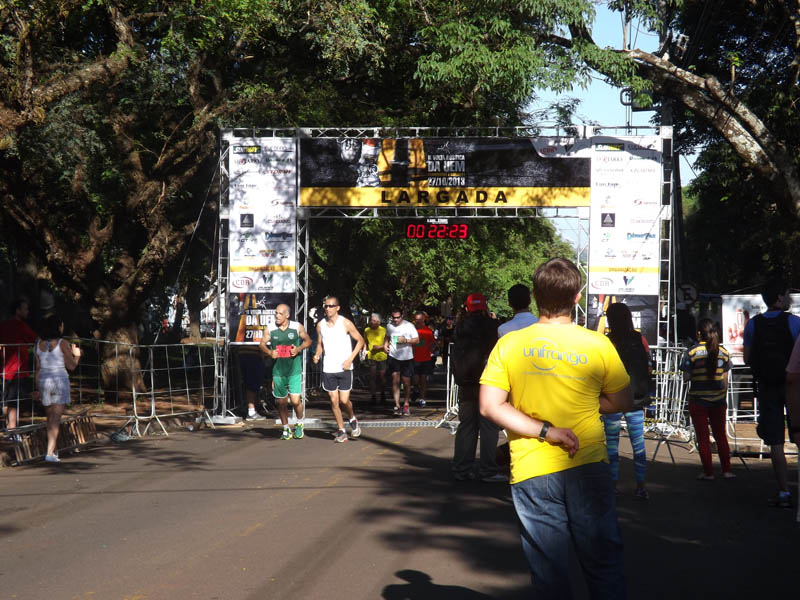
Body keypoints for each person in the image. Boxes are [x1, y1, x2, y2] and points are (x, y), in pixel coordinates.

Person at [480, 258, 632, 598]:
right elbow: (622, 399)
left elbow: (490, 406)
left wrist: (545, 431)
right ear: (577, 298)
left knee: (549, 574)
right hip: (588, 462)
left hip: (532, 468)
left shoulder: (510, 344)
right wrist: (587, 401)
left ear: (535, 296)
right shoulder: (598, 344)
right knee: (604, 566)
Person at [742, 280, 800, 508]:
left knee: (775, 442)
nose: (789, 298)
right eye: (787, 294)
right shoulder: (794, 323)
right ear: (779, 298)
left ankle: (784, 492)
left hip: (767, 387)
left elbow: (747, 358)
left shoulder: (753, 325)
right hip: (794, 387)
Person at [451, 293, 504, 482]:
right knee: (489, 426)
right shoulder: (493, 326)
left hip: (466, 383)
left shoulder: (460, 327)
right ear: (485, 307)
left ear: (467, 308)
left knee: (467, 426)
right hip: (489, 382)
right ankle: (488, 470)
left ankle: (462, 469)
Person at [603, 302, 651, 499]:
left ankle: (613, 485)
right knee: (638, 445)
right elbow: (648, 367)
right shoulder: (640, 339)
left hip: (612, 400)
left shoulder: (606, 342)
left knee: (611, 445)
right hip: (635, 400)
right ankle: (641, 486)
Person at [681, 318, 734, 480]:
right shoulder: (723, 352)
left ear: (699, 334)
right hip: (718, 401)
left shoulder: (691, 352)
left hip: (698, 400)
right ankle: (726, 470)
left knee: (703, 438)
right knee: (721, 436)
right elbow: (725, 380)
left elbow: (686, 377)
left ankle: (708, 472)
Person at [313, 297, 365, 443]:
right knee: (333, 400)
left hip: (344, 367)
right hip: (328, 367)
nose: (327, 308)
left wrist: (350, 359)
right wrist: (317, 354)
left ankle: (352, 418)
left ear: (338, 308)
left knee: (344, 400)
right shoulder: (320, 325)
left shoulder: (345, 323)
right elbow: (320, 344)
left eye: (331, 306)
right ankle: (341, 430)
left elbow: (360, 341)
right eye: (326, 306)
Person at [33, 314, 81, 462]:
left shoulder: (38, 343)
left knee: (50, 417)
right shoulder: (62, 343)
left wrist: (36, 387)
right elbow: (71, 366)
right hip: (59, 380)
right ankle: (49, 452)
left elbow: (38, 368)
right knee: (55, 418)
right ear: (58, 327)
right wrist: (77, 355)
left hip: (44, 380)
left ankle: (53, 450)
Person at [260, 304, 311, 440]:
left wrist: (298, 349)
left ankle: (299, 423)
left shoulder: (296, 327)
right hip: (278, 372)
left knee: (295, 401)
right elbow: (262, 344)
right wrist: (270, 352)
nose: (277, 316)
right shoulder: (270, 328)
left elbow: (308, 340)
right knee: (281, 402)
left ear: (287, 315)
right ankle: (286, 428)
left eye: (280, 314)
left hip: (294, 370)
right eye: (276, 313)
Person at [1, 299, 38, 432]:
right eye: (25, 309)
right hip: (17, 370)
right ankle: (12, 430)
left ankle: (9, 428)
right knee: (14, 401)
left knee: (7, 400)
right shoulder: (20, 326)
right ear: (18, 311)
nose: (27, 312)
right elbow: (35, 339)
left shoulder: (3, 325)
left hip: (4, 370)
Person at [384, 309, 419, 416]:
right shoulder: (389, 326)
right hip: (393, 356)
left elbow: (417, 340)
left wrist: (406, 340)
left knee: (406, 382)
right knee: (395, 380)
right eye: (394, 318)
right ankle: (397, 405)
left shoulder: (409, 326)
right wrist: (385, 345)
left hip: (407, 357)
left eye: (398, 317)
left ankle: (406, 404)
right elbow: (387, 336)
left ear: (402, 316)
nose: (395, 320)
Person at [412, 311, 435, 407]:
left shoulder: (428, 331)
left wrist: (432, 349)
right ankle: (416, 390)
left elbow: (432, 342)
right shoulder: (411, 330)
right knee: (415, 380)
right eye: (416, 319)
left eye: (420, 319)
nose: (418, 321)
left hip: (425, 359)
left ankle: (422, 399)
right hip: (414, 359)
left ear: (423, 320)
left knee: (423, 380)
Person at [364, 313, 388, 404]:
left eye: (374, 321)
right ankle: (373, 395)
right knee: (372, 376)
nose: (372, 322)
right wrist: (364, 350)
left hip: (382, 356)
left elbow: (388, 343)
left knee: (382, 376)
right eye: (371, 320)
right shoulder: (367, 330)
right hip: (372, 356)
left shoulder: (383, 330)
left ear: (378, 322)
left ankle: (383, 393)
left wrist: (379, 347)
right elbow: (365, 341)